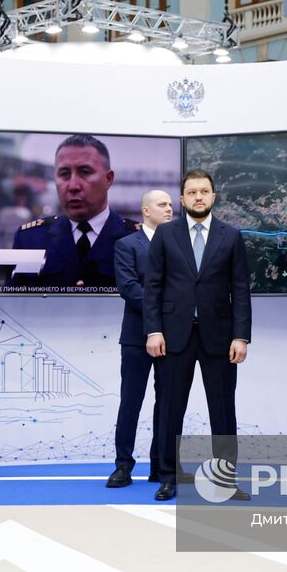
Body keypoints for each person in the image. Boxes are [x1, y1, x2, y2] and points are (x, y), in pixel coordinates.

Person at [145, 170, 252, 502]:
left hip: (219, 337)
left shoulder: (230, 236)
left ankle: (226, 480)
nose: (199, 197)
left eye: (204, 191)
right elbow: (153, 286)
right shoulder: (165, 234)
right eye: (192, 192)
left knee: (223, 411)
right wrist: (154, 330)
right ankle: (168, 476)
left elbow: (240, 290)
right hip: (173, 336)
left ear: (214, 197)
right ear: (182, 199)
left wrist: (241, 336)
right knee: (170, 409)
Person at [106, 189, 174, 488]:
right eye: (162, 204)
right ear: (146, 210)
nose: (169, 209)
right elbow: (128, 288)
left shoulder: (179, 245)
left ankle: (160, 466)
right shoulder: (126, 245)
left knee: (167, 403)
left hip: (173, 336)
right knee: (131, 402)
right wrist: (164, 308)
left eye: (171, 204)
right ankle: (123, 465)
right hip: (136, 336)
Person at [11, 134, 139, 288]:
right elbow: (10, 301)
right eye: (64, 174)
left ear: (108, 179)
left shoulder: (141, 240)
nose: (73, 186)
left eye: (85, 172)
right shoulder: (29, 239)